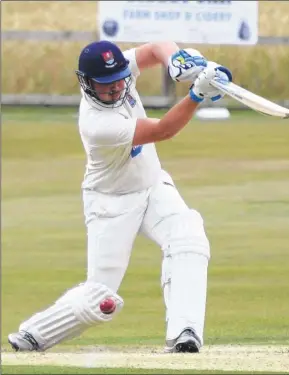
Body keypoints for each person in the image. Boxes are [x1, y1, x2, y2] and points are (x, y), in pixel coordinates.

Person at [8, 40, 232, 353]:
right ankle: (33, 334)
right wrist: (196, 95)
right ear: (87, 84)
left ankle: (185, 333)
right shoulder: (97, 124)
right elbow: (163, 130)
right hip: (111, 203)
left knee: (189, 238)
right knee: (101, 299)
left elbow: (156, 48)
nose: (115, 89)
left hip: (153, 186)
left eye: (118, 81)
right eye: (105, 86)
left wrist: (176, 60)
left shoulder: (120, 69)